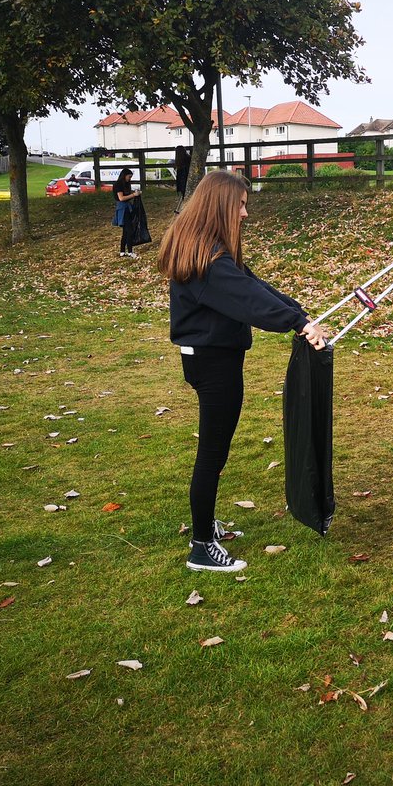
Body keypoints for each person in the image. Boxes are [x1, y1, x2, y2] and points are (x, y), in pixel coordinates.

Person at [157, 171, 328, 573]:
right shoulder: (208, 262)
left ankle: (205, 524)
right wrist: (297, 323)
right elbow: (249, 300)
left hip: (209, 358)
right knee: (213, 453)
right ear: (221, 206)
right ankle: (201, 546)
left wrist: (299, 314)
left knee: (215, 451)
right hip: (213, 364)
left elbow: (255, 286)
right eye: (241, 205)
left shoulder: (209, 251)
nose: (246, 214)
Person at [112, 168, 138, 258]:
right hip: (123, 208)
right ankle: (130, 251)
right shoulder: (118, 185)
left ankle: (122, 251)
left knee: (125, 232)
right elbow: (121, 198)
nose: (129, 179)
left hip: (127, 208)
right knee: (129, 230)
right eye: (129, 177)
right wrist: (133, 195)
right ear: (124, 175)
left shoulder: (126, 184)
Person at [173, 145, 191, 213]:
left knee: (185, 197)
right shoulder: (188, 159)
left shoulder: (179, 161)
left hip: (183, 183)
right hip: (185, 181)